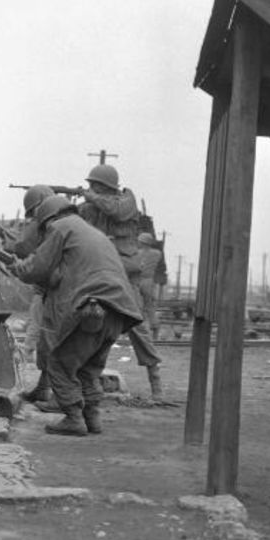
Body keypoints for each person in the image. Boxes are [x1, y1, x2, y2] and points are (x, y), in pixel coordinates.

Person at [9, 195, 142, 436]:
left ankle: (73, 418)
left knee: (59, 364)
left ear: (48, 219)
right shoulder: (91, 233)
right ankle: (92, 418)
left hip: (93, 306)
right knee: (88, 368)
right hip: (119, 310)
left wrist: (19, 267)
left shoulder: (60, 228)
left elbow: (38, 267)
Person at [77, 164, 165, 399]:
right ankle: (88, 383)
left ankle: (155, 382)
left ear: (107, 187)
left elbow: (116, 211)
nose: (90, 189)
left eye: (95, 186)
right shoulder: (91, 207)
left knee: (136, 325)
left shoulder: (127, 199)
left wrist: (91, 198)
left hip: (125, 271)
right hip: (102, 270)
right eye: (89, 186)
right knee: (92, 322)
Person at [3, 184, 55, 403]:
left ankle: (62, 398)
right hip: (55, 288)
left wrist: (10, 245)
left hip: (56, 289)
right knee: (49, 339)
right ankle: (44, 388)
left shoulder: (48, 224)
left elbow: (25, 246)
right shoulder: (61, 222)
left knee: (53, 340)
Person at [136, 232, 168, 342]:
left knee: (136, 306)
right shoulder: (157, 253)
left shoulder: (136, 253)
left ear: (142, 242)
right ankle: (154, 330)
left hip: (137, 281)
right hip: (149, 282)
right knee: (150, 307)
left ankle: (138, 330)